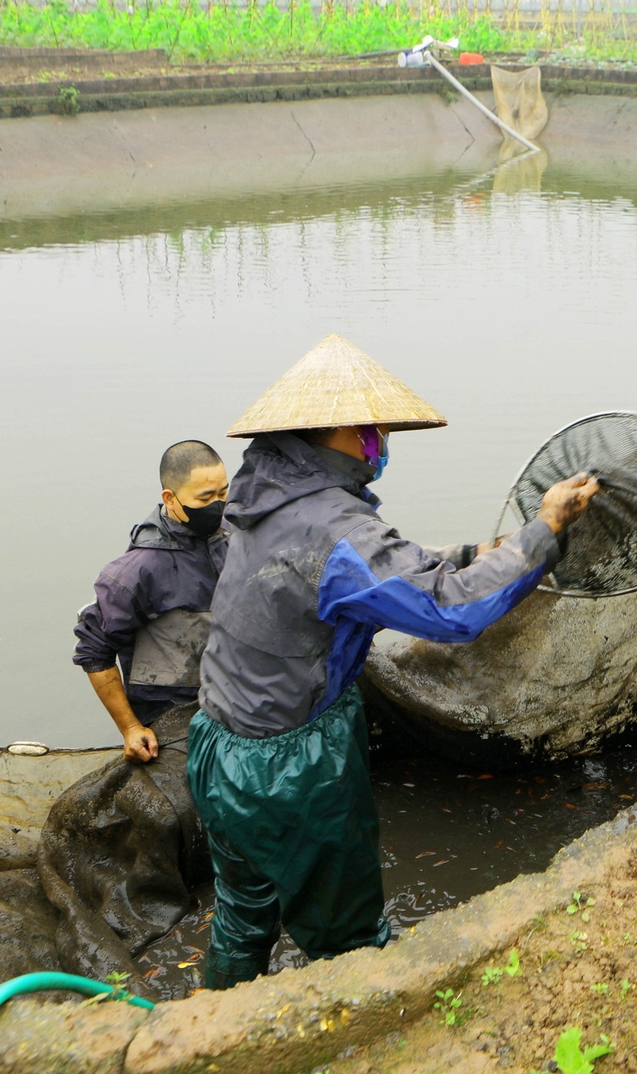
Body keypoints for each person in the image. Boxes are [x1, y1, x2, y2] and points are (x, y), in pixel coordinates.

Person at [188, 334, 599, 990]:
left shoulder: (259, 497)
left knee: (242, 913)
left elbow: (390, 566)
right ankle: (363, 1030)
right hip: (291, 771)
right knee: (348, 939)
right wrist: (543, 530)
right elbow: (449, 612)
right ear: (344, 432)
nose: (380, 442)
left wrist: (480, 550)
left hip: (217, 745)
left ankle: (209, 1032)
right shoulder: (337, 530)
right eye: (373, 429)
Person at [72, 439, 229, 763]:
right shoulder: (134, 573)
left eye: (223, 493)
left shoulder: (236, 536)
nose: (218, 506)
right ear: (169, 498)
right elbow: (93, 651)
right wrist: (130, 727)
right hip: (169, 717)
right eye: (205, 498)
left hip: (233, 700)